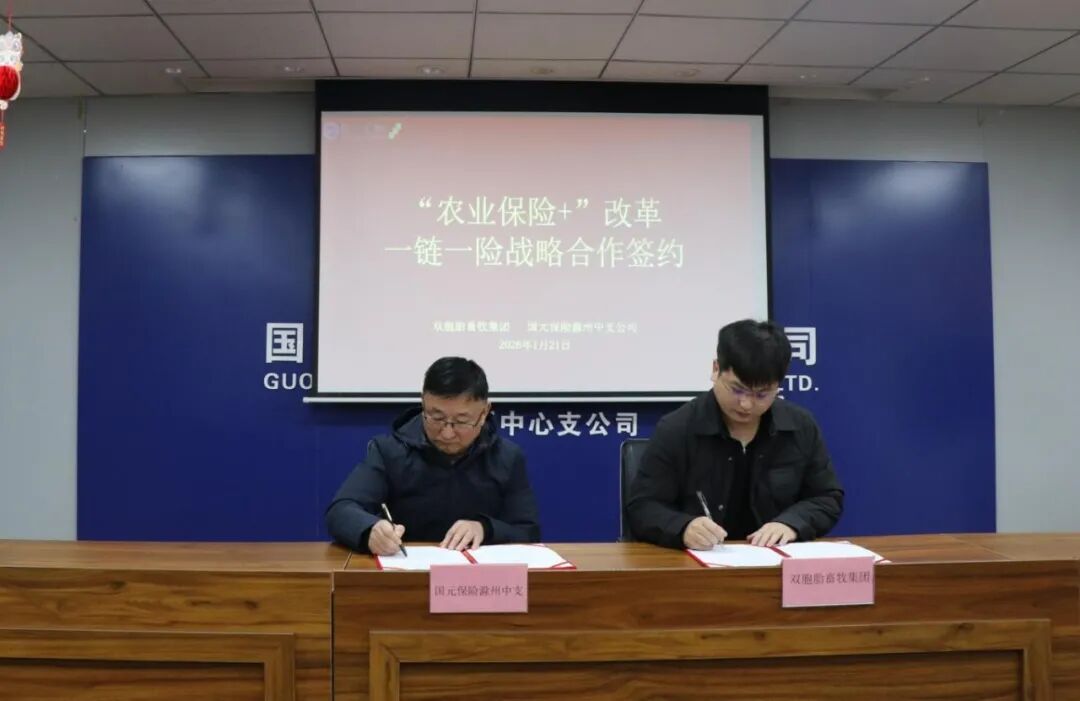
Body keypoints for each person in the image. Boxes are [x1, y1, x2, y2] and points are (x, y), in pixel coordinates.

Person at [626, 319, 843, 550]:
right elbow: (642, 506)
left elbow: (827, 498)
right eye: (737, 389)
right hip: (698, 563)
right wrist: (683, 528)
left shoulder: (800, 427)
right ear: (715, 369)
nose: (746, 404)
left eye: (762, 394)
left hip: (775, 561)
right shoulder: (677, 428)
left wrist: (791, 524)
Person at [325, 356, 541, 555]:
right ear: (423, 404)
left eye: (461, 421)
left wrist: (485, 528)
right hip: (407, 574)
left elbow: (528, 532)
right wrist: (370, 530)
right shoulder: (389, 451)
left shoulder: (507, 457)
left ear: (484, 412)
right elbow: (341, 510)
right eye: (436, 418)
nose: (447, 433)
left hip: (480, 578)